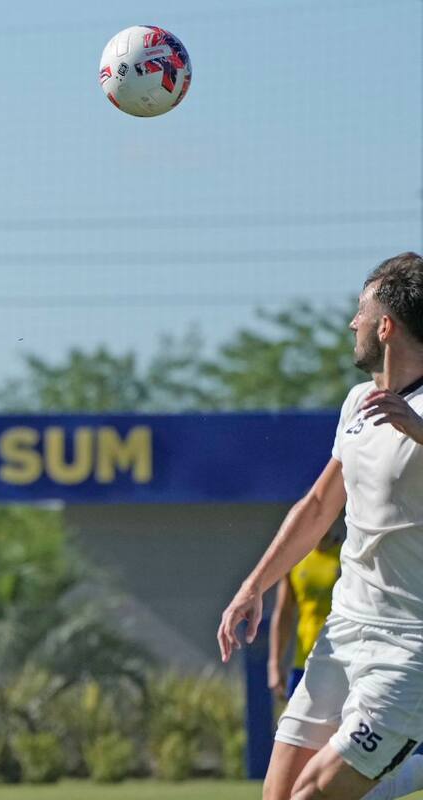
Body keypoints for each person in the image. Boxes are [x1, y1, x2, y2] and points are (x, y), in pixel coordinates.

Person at [218, 252, 423, 800]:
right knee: (280, 795)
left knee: (313, 794)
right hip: (343, 631)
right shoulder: (359, 403)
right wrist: (253, 586)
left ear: (386, 326)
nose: (353, 324)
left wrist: (419, 429)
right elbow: (316, 507)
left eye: (361, 312)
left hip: (409, 647)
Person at [268, 533, 342, 701]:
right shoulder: (296, 559)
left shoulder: (348, 555)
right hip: (304, 663)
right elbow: (284, 613)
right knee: (293, 718)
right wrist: (274, 664)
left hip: (340, 663)